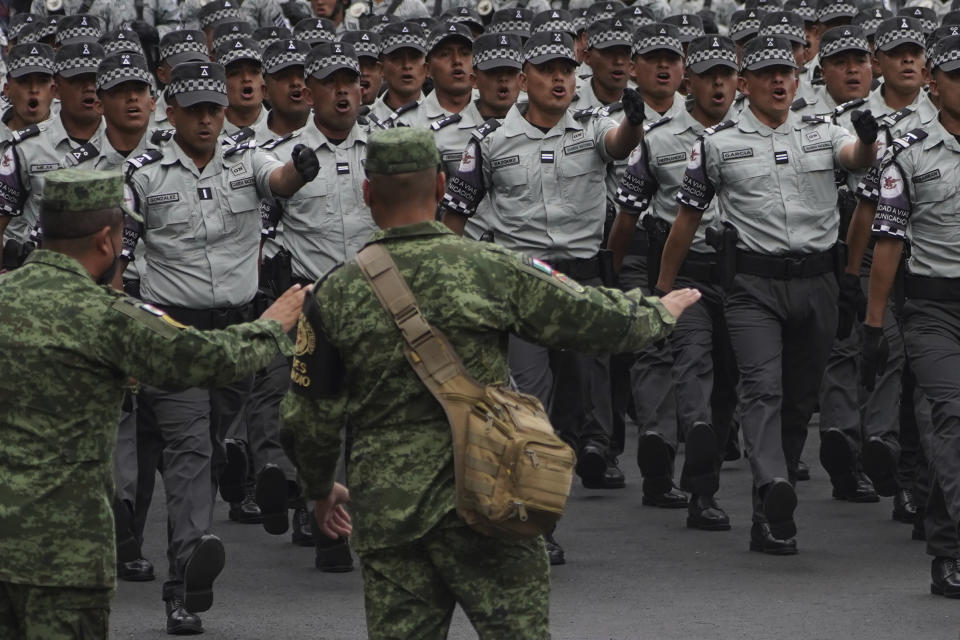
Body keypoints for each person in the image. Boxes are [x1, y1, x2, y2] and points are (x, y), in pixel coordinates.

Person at [280, 126, 701, 640]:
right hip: (490, 493)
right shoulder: (491, 267)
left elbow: (309, 416)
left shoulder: (334, 294)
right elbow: (591, 318)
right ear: (440, 187)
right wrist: (658, 311)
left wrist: (320, 489)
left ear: (367, 194)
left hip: (393, 512)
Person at [0, 168, 306, 640]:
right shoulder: (110, 315)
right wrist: (273, 324)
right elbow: (205, 359)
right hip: (63, 552)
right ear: (107, 239)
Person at [117, 60, 320, 635]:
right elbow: (121, 264)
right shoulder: (143, 173)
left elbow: (277, 180)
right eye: (196, 110)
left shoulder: (246, 157)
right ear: (172, 112)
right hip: (173, 335)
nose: (208, 119)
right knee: (190, 450)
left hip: (238, 334)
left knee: (200, 442)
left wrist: (299, 172)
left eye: (215, 109)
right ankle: (183, 580)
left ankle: (160, 503)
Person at [656, 34, 877, 555]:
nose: (779, 81)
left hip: (818, 281)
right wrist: (662, 290)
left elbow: (856, 157)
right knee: (763, 388)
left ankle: (768, 514)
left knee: (801, 399)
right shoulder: (717, 143)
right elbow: (685, 219)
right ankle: (771, 483)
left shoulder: (826, 131)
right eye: (766, 74)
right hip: (752, 286)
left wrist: (867, 142)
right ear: (744, 85)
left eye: (787, 72)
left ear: (797, 79)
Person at [441, 29, 647, 561]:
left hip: (580, 282)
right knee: (530, 404)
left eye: (566, 70)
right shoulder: (490, 143)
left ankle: (553, 490)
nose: (560, 79)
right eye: (548, 70)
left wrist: (635, 119)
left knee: (577, 410)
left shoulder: (594, 127)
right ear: (525, 77)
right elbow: (455, 217)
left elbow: (619, 144)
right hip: (522, 282)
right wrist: (446, 287)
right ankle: (536, 522)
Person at [608, 33, 740, 530]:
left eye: (726, 75)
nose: (719, 85)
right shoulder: (657, 142)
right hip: (680, 272)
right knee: (688, 362)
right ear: (693, 81)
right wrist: (614, 273)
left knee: (729, 382)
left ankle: (703, 443)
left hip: (746, 277)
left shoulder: (765, 136)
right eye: (709, 76)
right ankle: (696, 479)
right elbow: (627, 215)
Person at [863, 34, 960, 598]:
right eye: (957, 75)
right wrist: (875, 323)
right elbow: (889, 243)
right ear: (934, 83)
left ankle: (942, 531)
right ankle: (950, 552)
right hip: (933, 310)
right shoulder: (908, 150)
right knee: (952, 415)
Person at [0, 42, 106, 249]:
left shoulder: (127, 140)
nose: (89, 88)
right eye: (78, 80)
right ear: (56, 89)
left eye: (95, 79)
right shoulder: (24, 147)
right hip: (41, 271)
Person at [368, 22, 431, 128]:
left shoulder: (444, 120)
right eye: (396, 58)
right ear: (381, 69)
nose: (406, 65)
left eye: (414, 57)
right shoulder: (365, 121)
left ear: (426, 68)